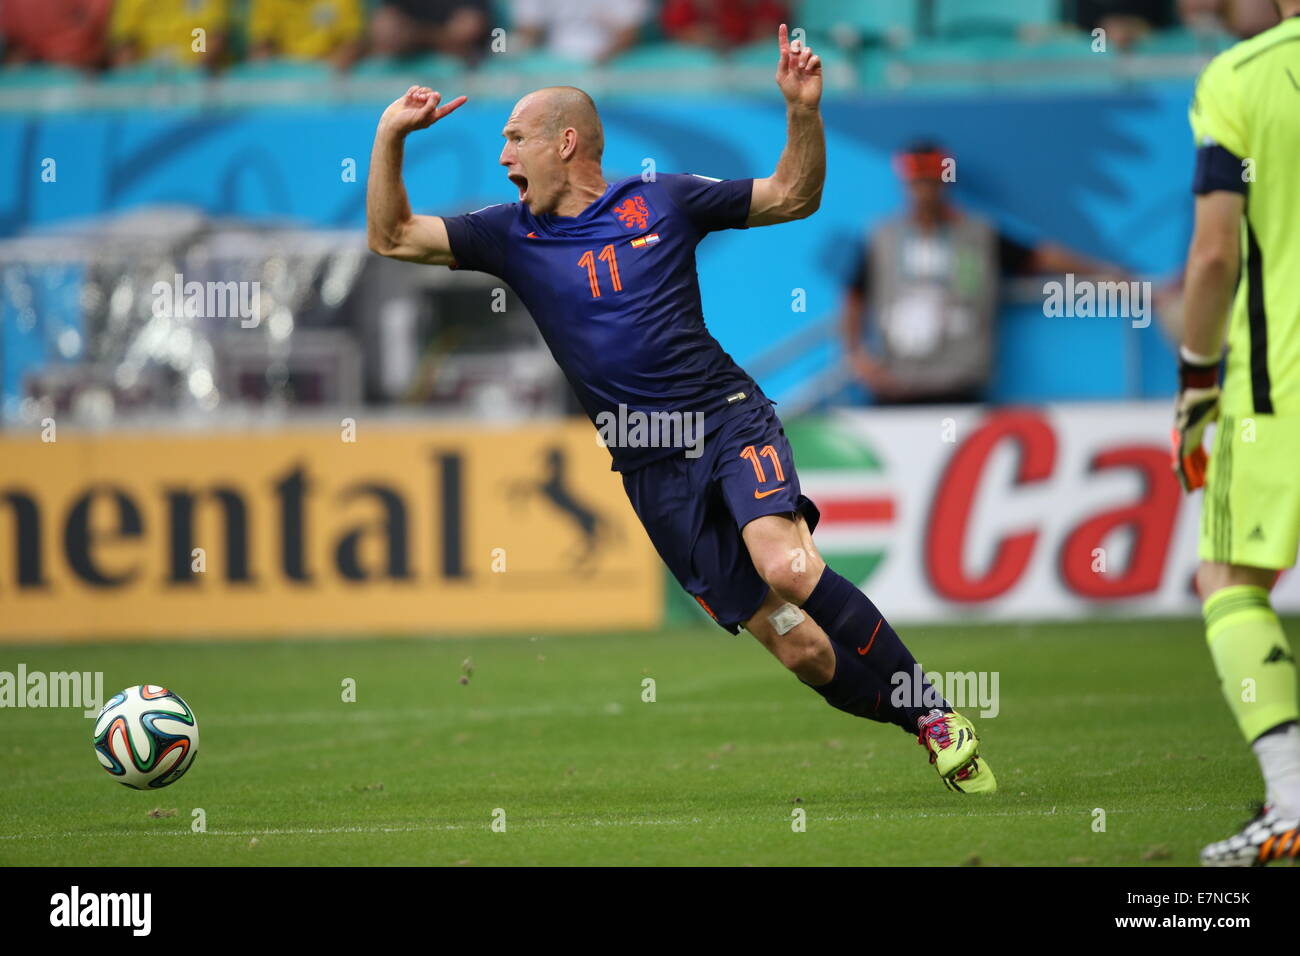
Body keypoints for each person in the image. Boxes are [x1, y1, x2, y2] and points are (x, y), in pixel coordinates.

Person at [366, 25, 996, 793]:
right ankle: (916, 724)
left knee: (788, 562)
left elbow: (793, 194)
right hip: (648, 467)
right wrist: (390, 134)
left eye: (514, 139)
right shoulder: (510, 234)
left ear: (566, 143)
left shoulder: (662, 200)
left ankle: (935, 712)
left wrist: (803, 113)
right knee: (802, 652)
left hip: (725, 416)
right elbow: (393, 235)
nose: (503, 157)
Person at [1174, 0, 1300, 866]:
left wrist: (1194, 380)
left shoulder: (1240, 76)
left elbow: (1215, 255)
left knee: (1229, 578)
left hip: (1277, 390)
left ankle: (1292, 803)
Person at [840, 140, 1120, 406]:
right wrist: (857, 356)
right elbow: (853, 296)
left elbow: (1040, 257)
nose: (924, 190)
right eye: (917, 182)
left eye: (932, 181)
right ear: (906, 184)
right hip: (896, 387)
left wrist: (1102, 271)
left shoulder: (978, 235)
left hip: (959, 387)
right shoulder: (882, 238)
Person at [507, 0, 647, 63]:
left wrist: (603, 58)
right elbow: (528, 30)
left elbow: (628, 34)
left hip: (606, 59)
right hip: (553, 59)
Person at [248, 0, 364, 70]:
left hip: (327, 74)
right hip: (284, 73)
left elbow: (351, 43)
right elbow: (261, 45)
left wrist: (330, 69)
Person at [368, 1, 490, 62]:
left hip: (456, 63)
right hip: (403, 59)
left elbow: (466, 33)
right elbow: (384, 30)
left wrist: (415, 34)